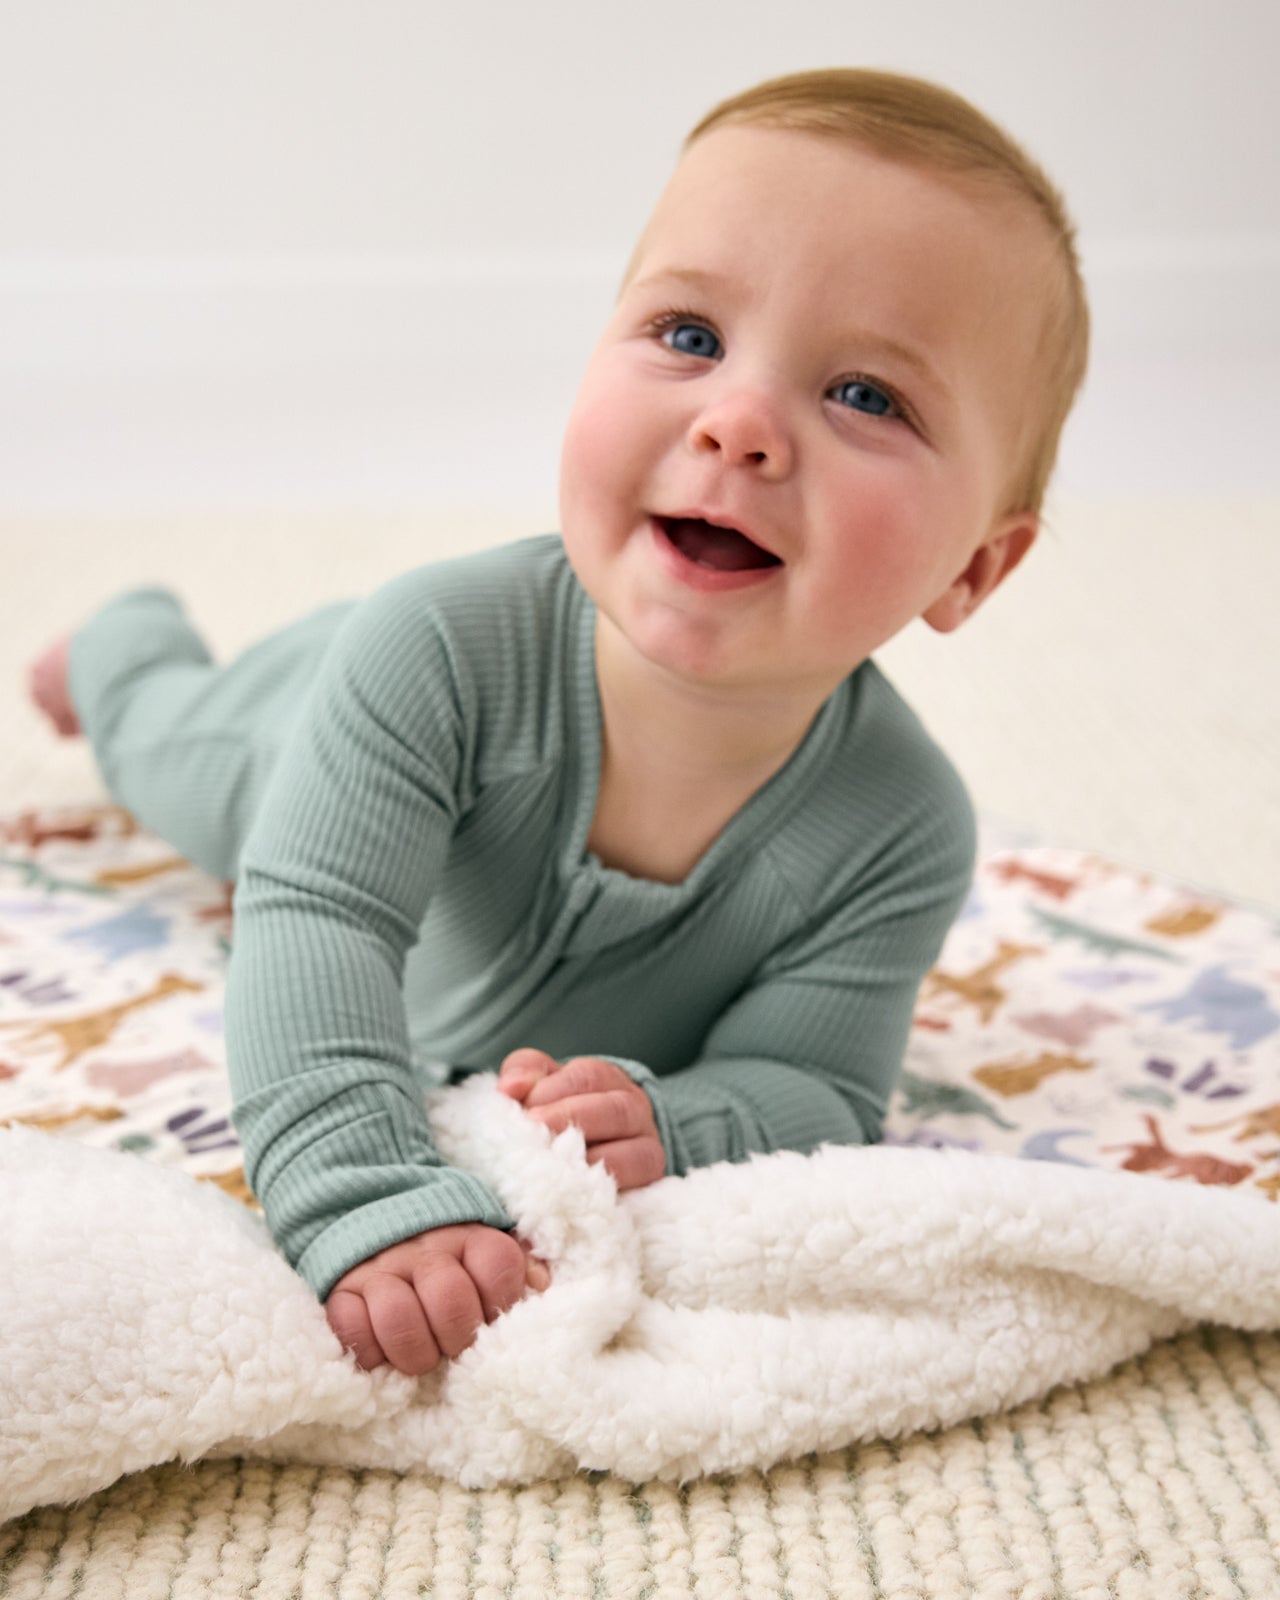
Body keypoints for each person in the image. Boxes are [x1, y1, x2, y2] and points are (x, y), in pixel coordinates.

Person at [28, 68, 1089, 1378]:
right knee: (161, 756)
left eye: (867, 396)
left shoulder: (898, 828)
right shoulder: (436, 651)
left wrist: (677, 1118)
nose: (740, 423)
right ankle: (126, 644)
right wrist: (363, 1199)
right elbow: (318, 925)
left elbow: (814, 1088)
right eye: (691, 334)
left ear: (975, 570)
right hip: (296, 732)